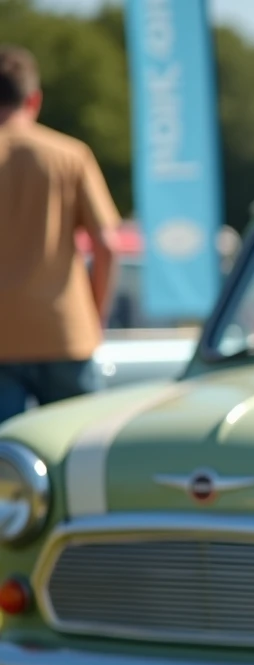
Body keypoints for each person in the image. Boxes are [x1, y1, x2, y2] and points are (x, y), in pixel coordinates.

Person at [0, 45, 121, 424]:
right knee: (79, 455)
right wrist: (94, 315)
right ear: (34, 99)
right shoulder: (69, 154)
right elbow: (108, 244)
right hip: (65, 332)